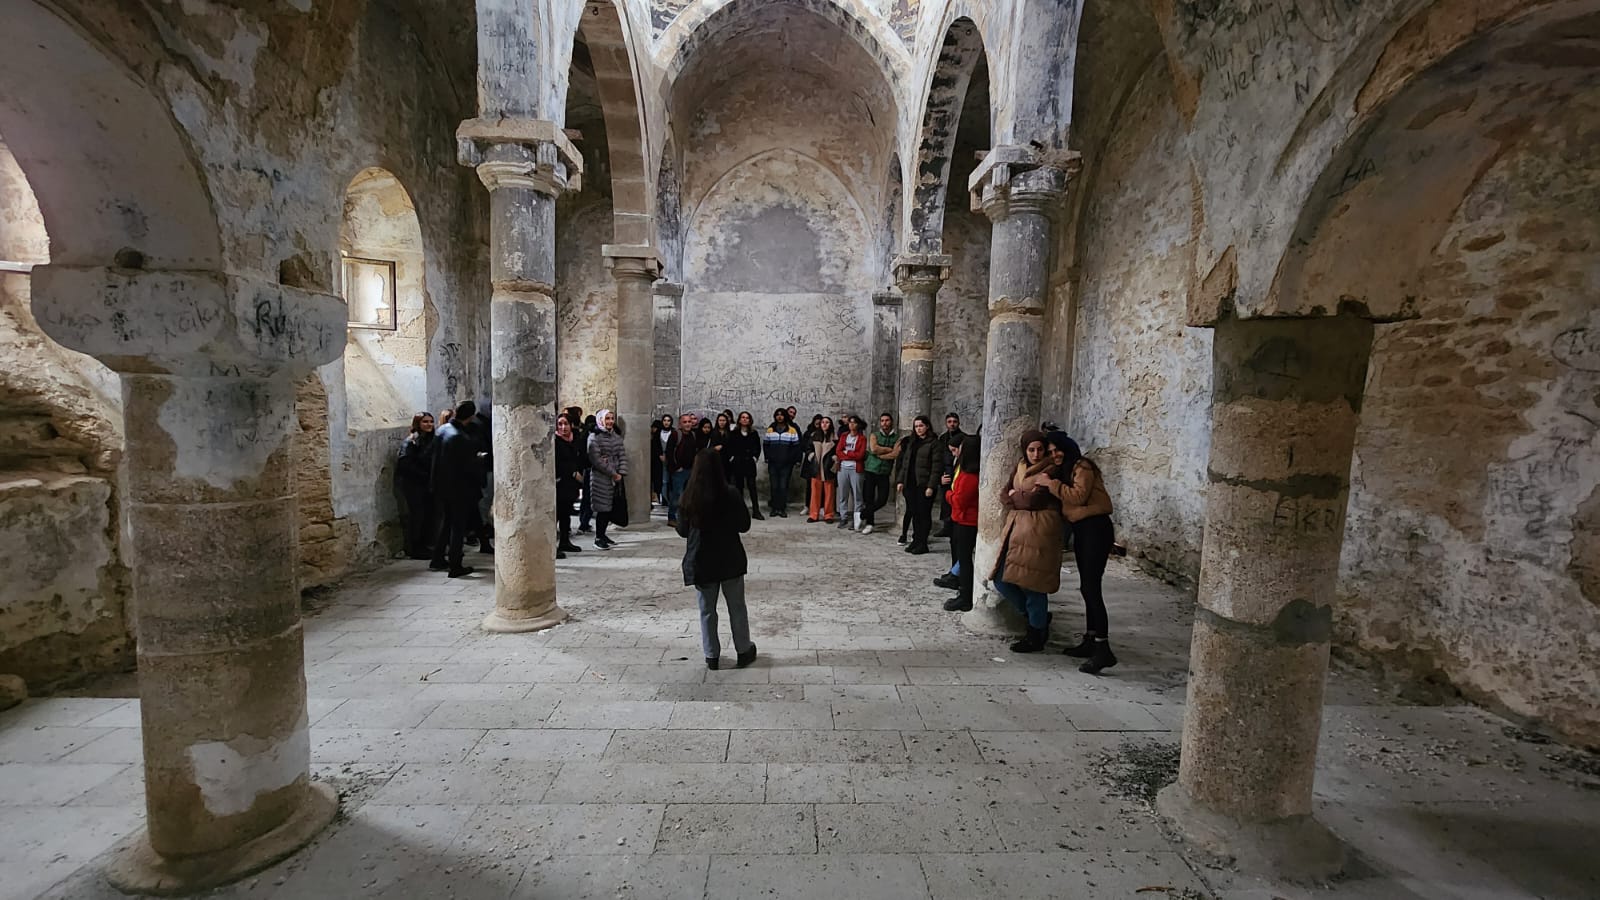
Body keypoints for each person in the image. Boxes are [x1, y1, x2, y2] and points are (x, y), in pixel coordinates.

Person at [1040, 431, 1118, 673]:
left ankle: (1103, 648)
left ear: (1068, 447)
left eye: (1057, 450)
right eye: (1050, 452)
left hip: (1096, 529)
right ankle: (1090, 639)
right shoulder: (1067, 469)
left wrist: (1050, 484)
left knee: (1091, 588)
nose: (1055, 455)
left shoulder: (1082, 466)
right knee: (1087, 586)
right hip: (1084, 530)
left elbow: (1078, 496)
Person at [676, 449, 758, 671]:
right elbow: (744, 525)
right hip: (729, 557)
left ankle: (711, 655)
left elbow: (682, 530)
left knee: (707, 610)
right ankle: (743, 650)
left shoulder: (689, 494)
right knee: (737, 607)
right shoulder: (730, 493)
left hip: (702, 559)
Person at [990, 430, 1070, 654]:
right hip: (1017, 530)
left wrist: (1018, 496)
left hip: (1039, 530)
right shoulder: (1020, 467)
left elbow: (1035, 500)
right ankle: (1037, 618)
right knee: (1001, 580)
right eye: (1031, 449)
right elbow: (1004, 493)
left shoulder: (1051, 469)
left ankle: (1036, 634)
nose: (1036, 454)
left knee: (1033, 584)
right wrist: (1017, 496)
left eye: (1040, 449)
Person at [429, 401, 484, 577]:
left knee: (446, 523)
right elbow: (466, 466)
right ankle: (455, 565)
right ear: (471, 416)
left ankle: (437, 558)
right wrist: (479, 459)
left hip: (440, 486)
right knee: (458, 527)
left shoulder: (441, 430)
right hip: (459, 488)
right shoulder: (461, 437)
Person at [941, 434, 980, 611]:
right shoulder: (965, 472)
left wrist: (948, 494)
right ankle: (961, 589)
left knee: (965, 560)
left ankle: (965, 596)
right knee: (962, 559)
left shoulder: (970, 476)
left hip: (967, 521)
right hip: (961, 519)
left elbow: (958, 500)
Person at [893, 415, 942, 554]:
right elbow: (905, 464)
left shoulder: (934, 443)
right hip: (910, 484)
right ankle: (916, 540)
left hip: (924, 484)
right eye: (916, 426)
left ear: (927, 426)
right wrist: (901, 480)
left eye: (921, 426)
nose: (919, 429)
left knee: (923, 514)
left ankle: (923, 543)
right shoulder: (911, 442)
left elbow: (936, 467)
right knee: (914, 513)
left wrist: (931, 486)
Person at [395, 411, 437, 560]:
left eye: (431, 421)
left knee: (428, 515)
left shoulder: (431, 440)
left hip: (427, 484)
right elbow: (405, 464)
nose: (429, 425)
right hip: (414, 484)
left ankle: (426, 545)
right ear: (418, 423)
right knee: (417, 515)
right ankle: (415, 547)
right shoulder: (411, 441)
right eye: (425, 422)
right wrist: (424, 475)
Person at [587, 408, 628, 550]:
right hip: (601, 478)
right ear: (600, 420)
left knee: (610, 508)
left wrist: (621, 472)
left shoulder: (616, 436)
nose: (610, 421)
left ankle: (603, 535)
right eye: (607, 419)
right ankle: (598, 537)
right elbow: (596, 460)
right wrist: (612, 473)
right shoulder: (594, 437)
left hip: (615, 476)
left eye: (612, 418)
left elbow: (622, 454)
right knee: (602, 508)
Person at [555, 414, 585, 559]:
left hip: (571, 485)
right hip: (560, 483)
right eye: (560, 424)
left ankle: (565, 541)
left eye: (565, 424)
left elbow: (580, 457)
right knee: (556, 516)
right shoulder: (555, 441)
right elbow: (557, 463)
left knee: (565, 515)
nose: (563, 427)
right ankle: (551, 546)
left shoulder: (575, 440)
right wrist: (572, 472)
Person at [863, 412, 900, 534]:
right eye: (882, 420)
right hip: (871, 470)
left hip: (884, 472)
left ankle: (864, 513)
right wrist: (888, 450)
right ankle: (869, 523)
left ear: (891, 422)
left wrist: (881, 455)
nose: (885, 423)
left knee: (882, 499)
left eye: (887, 420)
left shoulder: (897, 437)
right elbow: (874, 449)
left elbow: (896, 454)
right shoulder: (875, 435)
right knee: (869, 498)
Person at [762, 408, 802, 517]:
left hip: (786, 464)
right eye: (777, 415)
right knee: (774, 486)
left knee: (783, 486)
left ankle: (782, 508)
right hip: (773, 463)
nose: (779, 417)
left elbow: (796, 447)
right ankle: (774, 508)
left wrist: (791, 459)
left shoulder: (792, 430)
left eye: (781, 415)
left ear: (785, 416)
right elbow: (766, 445)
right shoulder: (770, 430)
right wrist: (768, 457)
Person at [724, 411, 764, 519]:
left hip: (749, 463)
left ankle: (756, 511)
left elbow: (757, 447)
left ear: (750, 420)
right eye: (743, 417)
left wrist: (755, 457)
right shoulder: (734, 433)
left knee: (752, 487)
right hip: (737, 463)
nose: (745, 419)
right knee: (739, 488)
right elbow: (729, 446)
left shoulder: (753, 433)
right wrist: (732, 458)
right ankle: (740, 511)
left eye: (747, 417)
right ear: (739, 419)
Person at [663, 412, 700, 526]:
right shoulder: (675, 435)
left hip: (690, 470)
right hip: (679, 471)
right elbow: (669, 452)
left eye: (689, 422)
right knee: (677, 494)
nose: (688, 424)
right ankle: (672, 517)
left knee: (688, 495)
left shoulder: (693, 435)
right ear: (680, 424)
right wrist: (676, 467)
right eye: (685, 422)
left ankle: (684, 517)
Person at [835, 415, 869, 532]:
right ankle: (843, 517)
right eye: (850, 423)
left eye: (854, 423)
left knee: (857, 495)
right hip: (843, 467)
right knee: (843, 494)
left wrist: (847, 452)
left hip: (856, 469)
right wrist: (851, 454)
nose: (851, 425)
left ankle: (856, 519)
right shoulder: (844, 436)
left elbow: (860, 455)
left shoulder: (862, 438)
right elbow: (838, 451)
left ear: (858, 424)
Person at [936, 413, 965, 539]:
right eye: (949, 421)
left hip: (958, 473)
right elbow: (939, 458)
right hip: (946, 474)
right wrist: (940, 477)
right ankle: (946, 527)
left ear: (958, 423)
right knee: (945, 501)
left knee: (957, 501)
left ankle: (955, 527)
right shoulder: (942, 438)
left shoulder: (964, 438)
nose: (952, 424)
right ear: (946, 423)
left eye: (954, 421)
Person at [803, 416, 837, 523]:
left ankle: (829, 515)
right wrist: (811, 455)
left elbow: (838, 450)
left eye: (827, 422)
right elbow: (807, 448)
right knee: (815, 492)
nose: (824, 424)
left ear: (830, 424)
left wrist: (834, 458)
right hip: (816, 467)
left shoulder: (835, 438)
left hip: (828, 467)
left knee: (829, 492)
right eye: (823, 422)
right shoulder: (814, 436)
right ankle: (814, 514)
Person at [656, 414, 674, 506]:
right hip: (660, 460)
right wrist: (660, 455)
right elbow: (656, 445)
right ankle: (663, 499)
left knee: (670, 480)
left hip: (671, 459)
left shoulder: (674, 432)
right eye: (665, 420)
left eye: (668, 420)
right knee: (662, 480)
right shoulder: (658, 432)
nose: (666, 422)